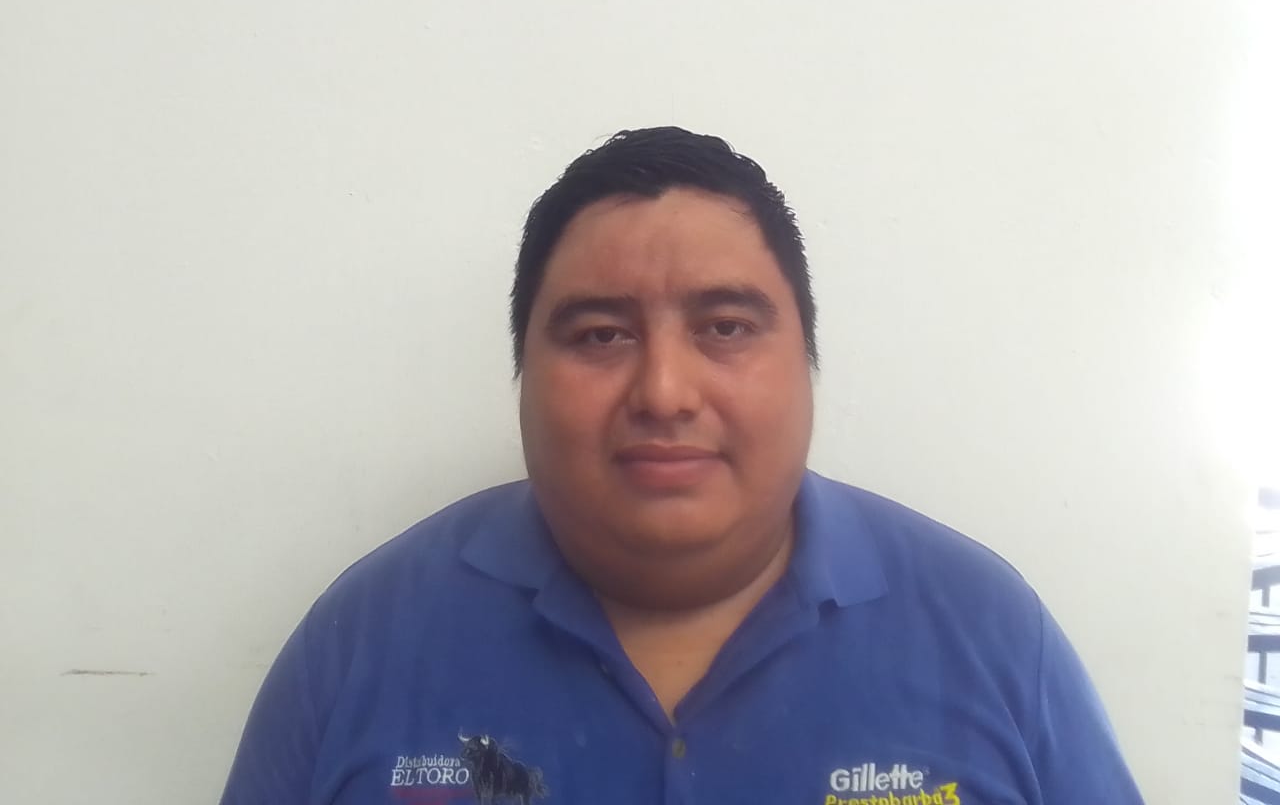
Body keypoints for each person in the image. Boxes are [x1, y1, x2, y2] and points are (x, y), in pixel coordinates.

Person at [220, 126, 1145, 804]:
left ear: (807, 364)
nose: (664, 391)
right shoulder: (363, 644)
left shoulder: (988, 635)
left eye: (725, 328)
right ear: (522, 375)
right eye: (601, 334)